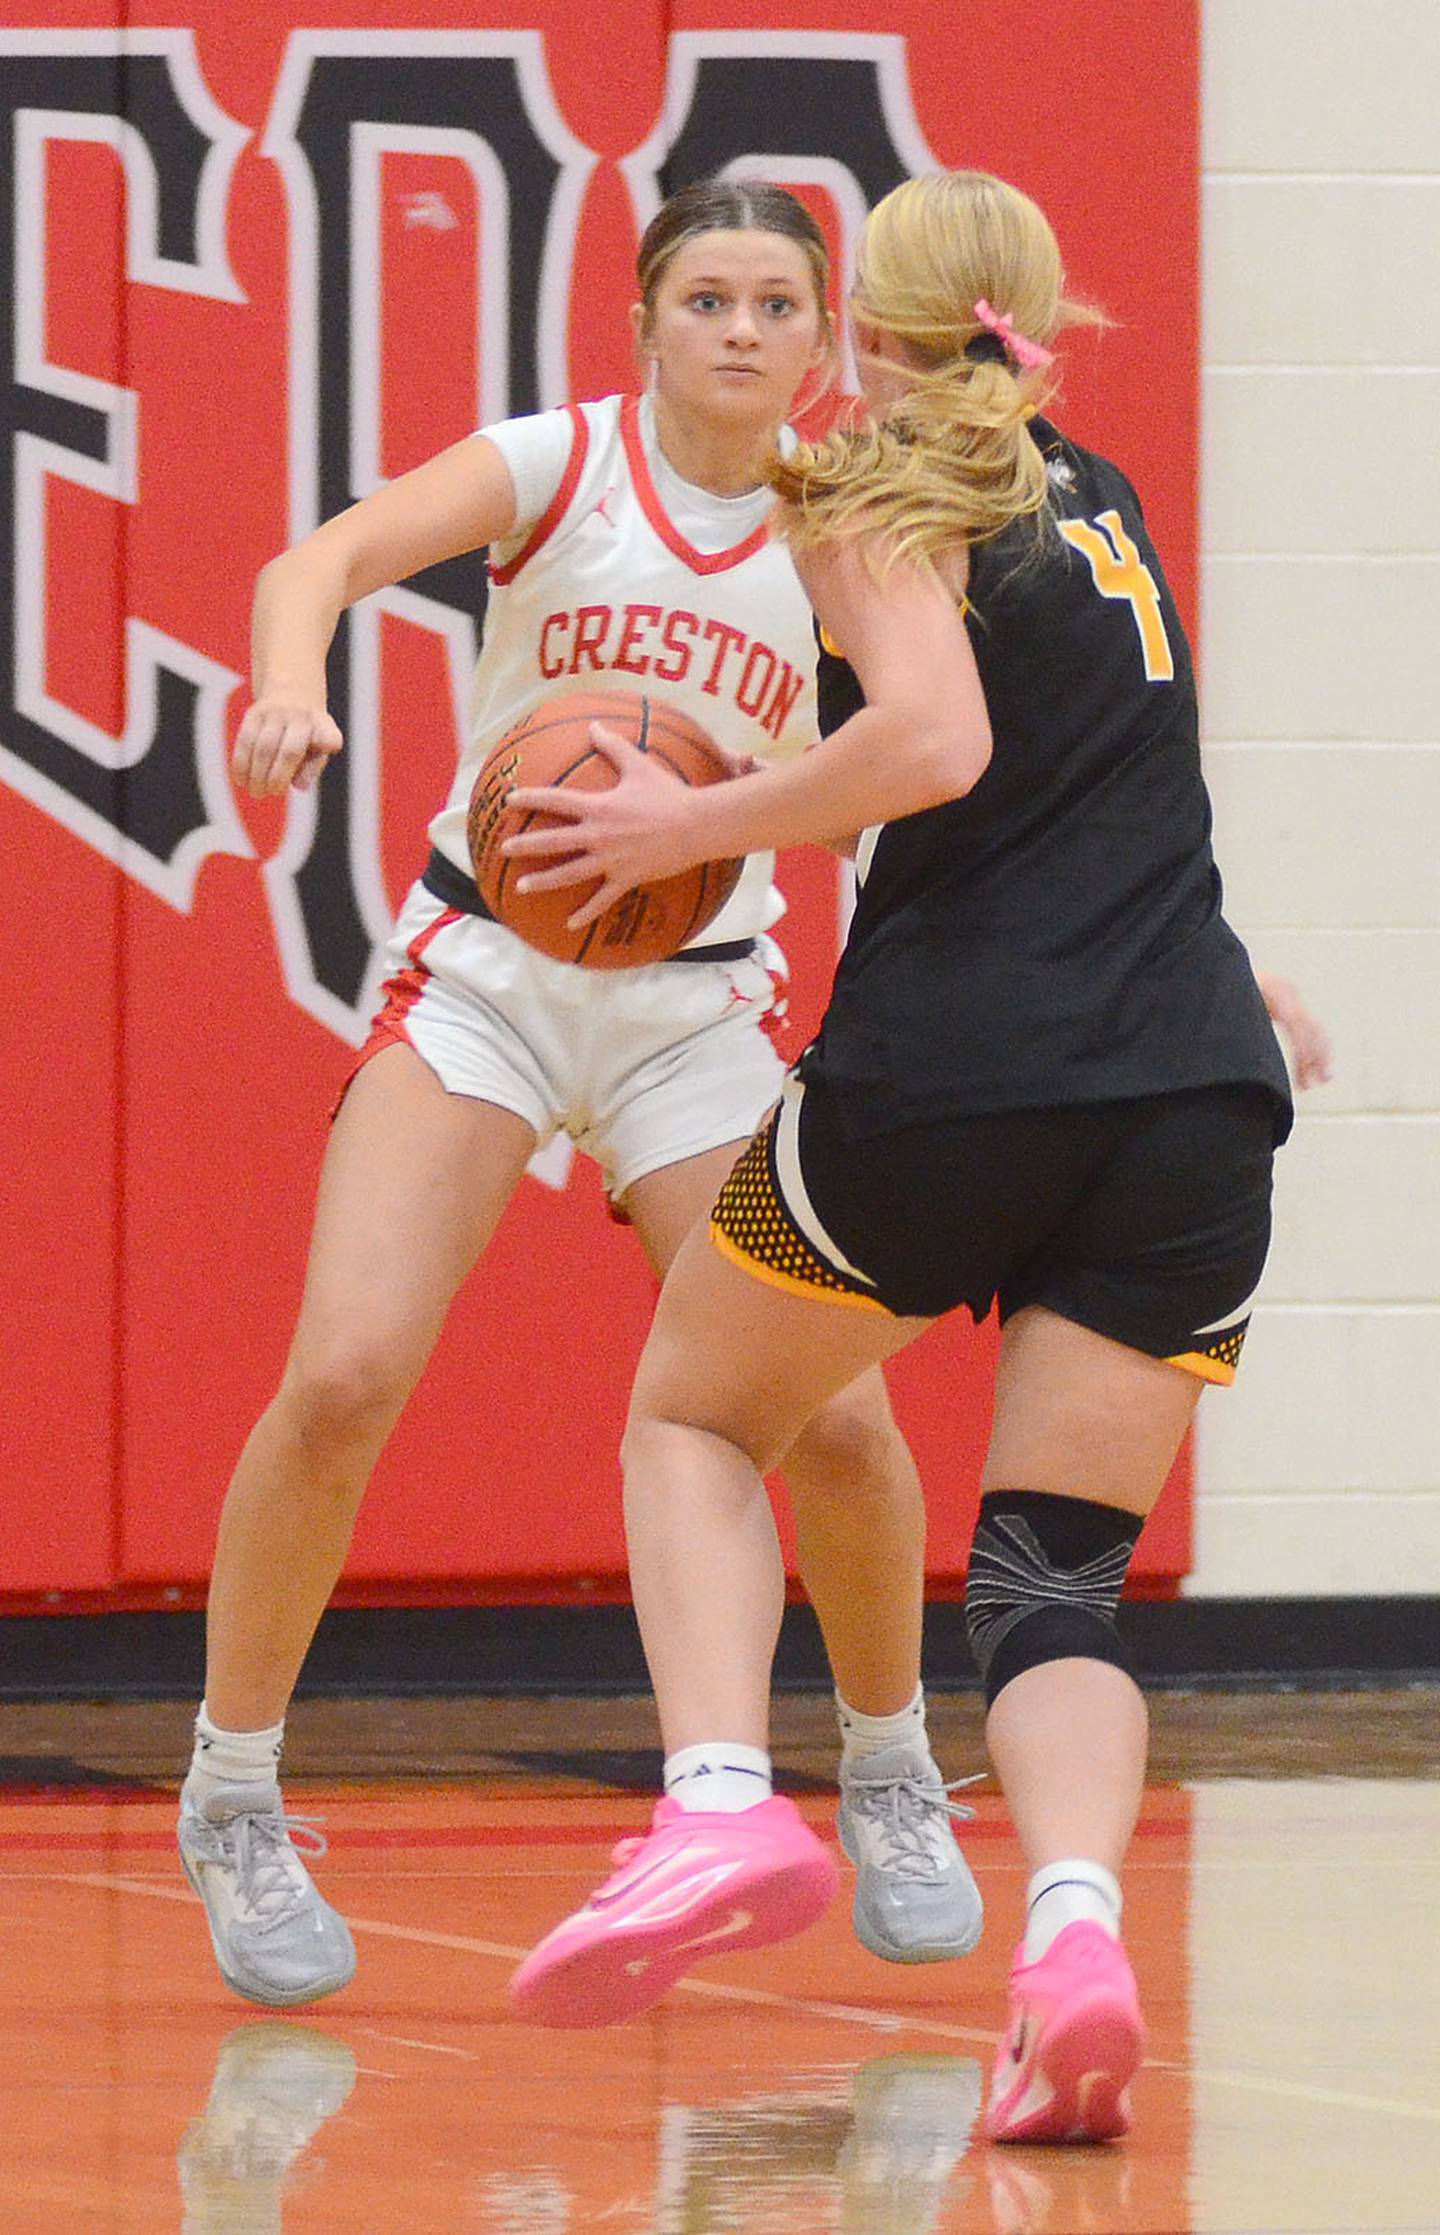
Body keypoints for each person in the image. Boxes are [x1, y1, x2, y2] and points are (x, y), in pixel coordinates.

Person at [501, 169, 1310, 2144]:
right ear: (1033, 315)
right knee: (1053, 1586)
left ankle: (713, 1806)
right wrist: (1235, 990)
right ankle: (1075, 1938)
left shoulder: (877, 490)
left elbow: (937, 744)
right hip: (1193, 1096)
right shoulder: (1096, 495)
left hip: (959, 1076)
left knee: (694, 1415)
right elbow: (1091, 778)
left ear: (868, 316)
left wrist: (701, 823)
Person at [176, 179, 987, 2013]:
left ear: (821, 334)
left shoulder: (850, 521)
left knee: (841, 1425)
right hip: (490, 977)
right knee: (344, 1376)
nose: (745, 331)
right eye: (710, 296)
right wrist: (289, 690)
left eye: (782, 302)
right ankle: (231, 1790)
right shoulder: (556, 463)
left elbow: (951, 748)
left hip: (698, 1006)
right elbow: (314, 563)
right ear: (646, 316)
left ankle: (889, 1761)